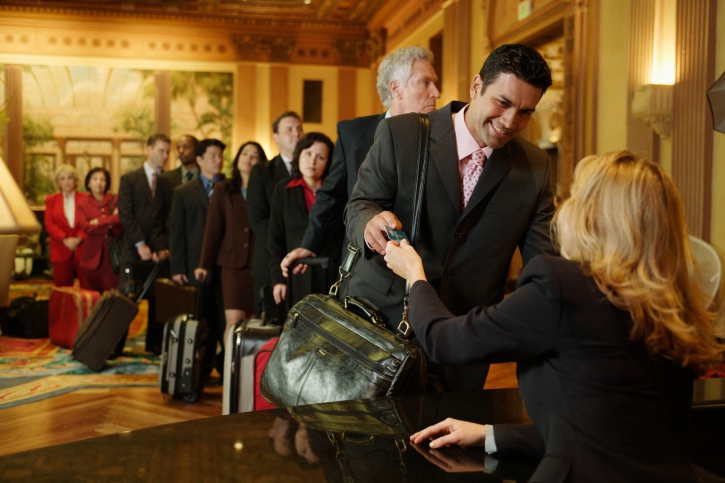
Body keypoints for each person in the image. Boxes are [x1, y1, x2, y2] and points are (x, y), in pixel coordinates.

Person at [385, 151, 724, 482]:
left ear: (593, 215)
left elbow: (446, 341)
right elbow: (608, 432)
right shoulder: (671, 306)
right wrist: (489, 435)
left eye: (575, 195)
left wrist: (415, 276)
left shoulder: (564, 285)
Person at [344, 43, 557, 391]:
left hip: (464, 343)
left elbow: (544, 263)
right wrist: (369, 222)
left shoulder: (535, 168)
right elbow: (360, 203)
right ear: (476, 86)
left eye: (525, 112)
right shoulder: (402, 134)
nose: (510, 122)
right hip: (379, 324)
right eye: (503, 103)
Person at [281, 46, 440, 277]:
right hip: (364, 268)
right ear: (396, 89)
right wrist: (310, 244)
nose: (436, 92)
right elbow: (332, 196)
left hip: (422, 269)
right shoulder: (354, 134)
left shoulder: (442, 137)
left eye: (434, 83)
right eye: (426, 82)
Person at [195, 141, 266, 344]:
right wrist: (204, 264)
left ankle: (246, 373)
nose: (249, 159)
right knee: (234, 322)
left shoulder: (266, 189)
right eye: (245, 154)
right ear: (237, 159)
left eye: (255, 156)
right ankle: (230, 373)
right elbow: (213, 229)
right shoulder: (223, 189)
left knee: (254, 322)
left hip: (258, 263)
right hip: (232, 265)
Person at [170, 138, 226, 376]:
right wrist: (178, 267)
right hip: (194, 266)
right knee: (200, 320)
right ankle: (198, 373)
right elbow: (178, 232)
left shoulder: (230, 187)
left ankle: (225, 370)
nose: (218, 160)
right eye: (212, 155)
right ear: (200, 159)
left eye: (221, 156)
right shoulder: (183, 192)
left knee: (224, 319)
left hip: (225, 265)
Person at [268, 133, 341, 307]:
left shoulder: (337, 194)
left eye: (320, 157)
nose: (312, 161)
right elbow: (275, 238)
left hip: (331, 275)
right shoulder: (283, 189)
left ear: (329, 163)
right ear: (299, 155)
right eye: (308, 154)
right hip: (296, 275)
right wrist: (278, 279)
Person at [247, 111, 304, 319]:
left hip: (306, 265)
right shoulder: (262, 172)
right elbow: (258, 219)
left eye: (299, 128)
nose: (296, 134)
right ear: (276, 137)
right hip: (271, 261)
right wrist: (290, 245)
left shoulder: (315, 170)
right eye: (288, 129)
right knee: (273, 327)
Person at [117, 133, 170, 354]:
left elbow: (168, 217)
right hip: (133, 248)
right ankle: (115, 344)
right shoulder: (130, 179)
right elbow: (126, 214)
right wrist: (140, 244)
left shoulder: (168, 180)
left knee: (159, 298)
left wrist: (162, 248)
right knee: (126, 298)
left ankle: (155, 344)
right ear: (148, 150)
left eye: (168, 152)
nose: (165, 156)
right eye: (161, 151)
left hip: (160, 252)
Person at [151, 134, 199, 257]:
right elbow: (158, 216)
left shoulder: (207, 179)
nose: (181, 151)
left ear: (197, 149)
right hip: (173, 247)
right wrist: (160, 247)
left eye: (186, 147)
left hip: (201, 246)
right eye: (179, 148)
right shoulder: (165, 179)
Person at [77, 168, 123, 292]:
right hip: (91, 256)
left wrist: (98, 221)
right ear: (88, 183)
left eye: (103, 179)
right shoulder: (83, 203)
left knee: (112, 295)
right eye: (95, 179)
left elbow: (120, 219)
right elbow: (86, 227)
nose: (99, 183)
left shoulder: (115, 199)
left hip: (112, 256)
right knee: (91, 296)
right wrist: (110, 222)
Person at [44, 164, 89, 288]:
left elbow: (90, 222)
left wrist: (78, 238)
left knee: (88, 288)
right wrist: (65, 239)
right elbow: (49, 224)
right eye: (62, 178)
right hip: (60, 248)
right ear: (58, 182)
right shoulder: (51, 200)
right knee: (62, 290)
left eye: (70, 177)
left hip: (83, 248)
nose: (67, 181)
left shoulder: (86, 198)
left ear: (75, 180)